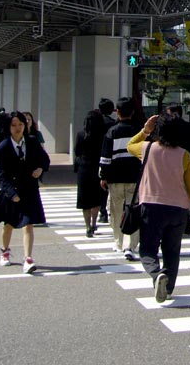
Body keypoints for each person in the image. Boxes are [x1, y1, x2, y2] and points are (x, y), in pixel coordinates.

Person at [128, 114, 190, 304]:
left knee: (147, 250)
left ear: (158, 131)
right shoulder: (184, 154)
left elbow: (130, 145)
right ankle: (168, 289)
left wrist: (145, 130)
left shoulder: (147, 149)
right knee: (172, 251)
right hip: (179, 209)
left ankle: (156, 274)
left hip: (152, 206)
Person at [0, 110, 51, 274]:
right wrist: (11, 193)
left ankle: (28, 258)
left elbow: (45, 159)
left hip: (29, 188)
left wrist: (40, 169)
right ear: (8, 127)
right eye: (14, 125)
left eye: (21, 124)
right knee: (9, 225)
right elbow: (1, 174)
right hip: (12, 191)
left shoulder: (32, 141)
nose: (18, 128)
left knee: (28, 224)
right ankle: (5, 251)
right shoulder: (3, 147)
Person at [99, 97, 142, 260]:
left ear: (117, 112)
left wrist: (103, 176)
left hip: (115, 178)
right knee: (133, 210)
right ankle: (130, 245)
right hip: (135, 178)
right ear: (132, 112)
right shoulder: (139, 130)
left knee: (117, 211)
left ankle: (119, 241)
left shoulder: (112, 131)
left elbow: (105, 158)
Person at [165, 102, 190, 234]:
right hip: (189, 162)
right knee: (189, 192)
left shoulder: (168, 128)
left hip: (171, 166)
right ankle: (188, 221)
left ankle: (176, 221)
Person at [74, 109, 108, 239]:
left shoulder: (81, 135)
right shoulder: (103, 136)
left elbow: (77, 151)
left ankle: (87, 226)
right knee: (97, 198)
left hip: (84, 168)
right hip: (98, 168)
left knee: (85, 199)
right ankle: (94, 223)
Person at [98, 98, 117, 224]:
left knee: (100, 185)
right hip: (110, 157)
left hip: (97, 156)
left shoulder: (95, 122)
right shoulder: (113, 124)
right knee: (108, 187)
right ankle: (107, 211)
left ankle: (102, 211)